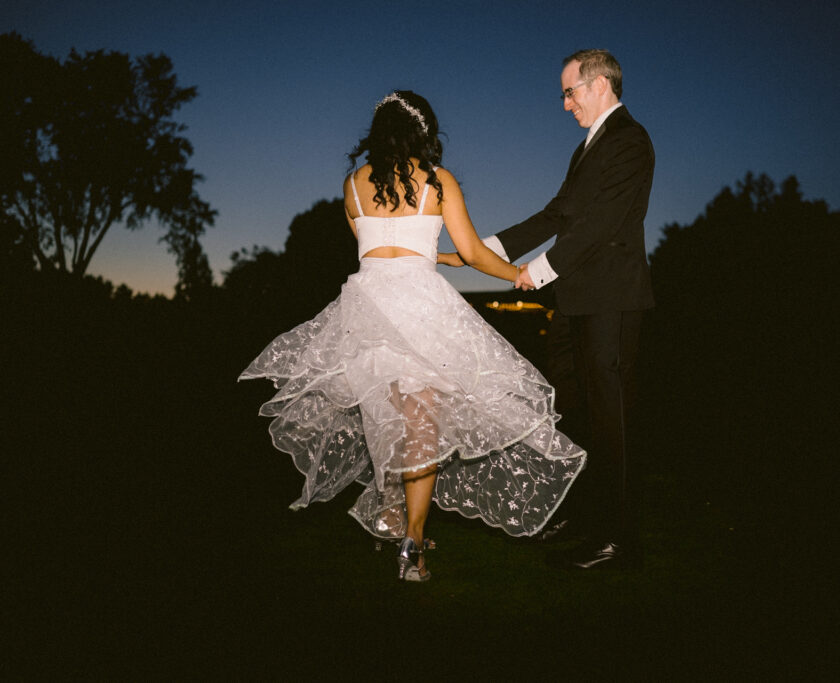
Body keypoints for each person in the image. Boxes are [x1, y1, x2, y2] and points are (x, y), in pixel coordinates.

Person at [239, 90, 585, 582]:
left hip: (367, 307)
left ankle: (391, 515)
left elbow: (372, 248)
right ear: (426, 131)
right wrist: (518, 276)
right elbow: (470, 251)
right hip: (422, 307)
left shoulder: (352, 186)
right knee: (422, 424)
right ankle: (413, 545)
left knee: (385, 415)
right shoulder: (437, 182)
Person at [447, 50, 655, 570]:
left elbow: (600, 224)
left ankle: (619, 540)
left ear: (602, 84)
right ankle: (586, 517)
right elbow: (556, 214)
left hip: (611, 302)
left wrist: (534, 273)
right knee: (579, 415)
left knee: (614, 421)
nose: (565, 104)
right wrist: (480, 250)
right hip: (574, 303)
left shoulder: (630, 140)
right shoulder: (586, 148)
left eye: (571, 91)